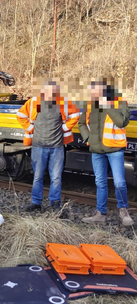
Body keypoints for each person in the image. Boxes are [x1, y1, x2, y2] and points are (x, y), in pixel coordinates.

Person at [16, 80, 80, 211]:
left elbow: (76, 114)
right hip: (39, 146)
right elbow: (21, 115)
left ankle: (55, 204)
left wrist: (64, 127)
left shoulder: (62, 103)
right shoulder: (36, 102)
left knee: (56, 177)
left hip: (57, 147)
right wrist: (30, 128)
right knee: (38, 176)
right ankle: (36, 203)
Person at [79, 80, 133, 226]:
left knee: (119, 182)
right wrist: (88, 138)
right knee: (100, 182)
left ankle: (124, 211)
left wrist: (107, 105)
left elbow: (122, 122)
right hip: (97, 150)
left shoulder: (119, 102)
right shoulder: (89, 105)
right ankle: (100, 214)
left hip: (114, 149)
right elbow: (81, 123)